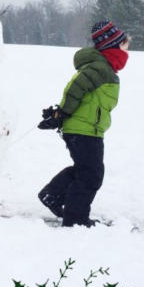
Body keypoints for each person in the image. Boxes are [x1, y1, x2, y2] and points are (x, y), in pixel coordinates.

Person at [37, 21, 130, 227]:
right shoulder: (100, 68)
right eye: (124, 45)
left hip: (86, 128)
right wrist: (61, 113)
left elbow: (78, 92)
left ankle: (52, 195)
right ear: (111, 46)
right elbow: (75, 89)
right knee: (91, 175)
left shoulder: (102, 68)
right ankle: (75, 219)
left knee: (85, 170)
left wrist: (60, 114)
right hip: (84, 130)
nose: (127, 50)